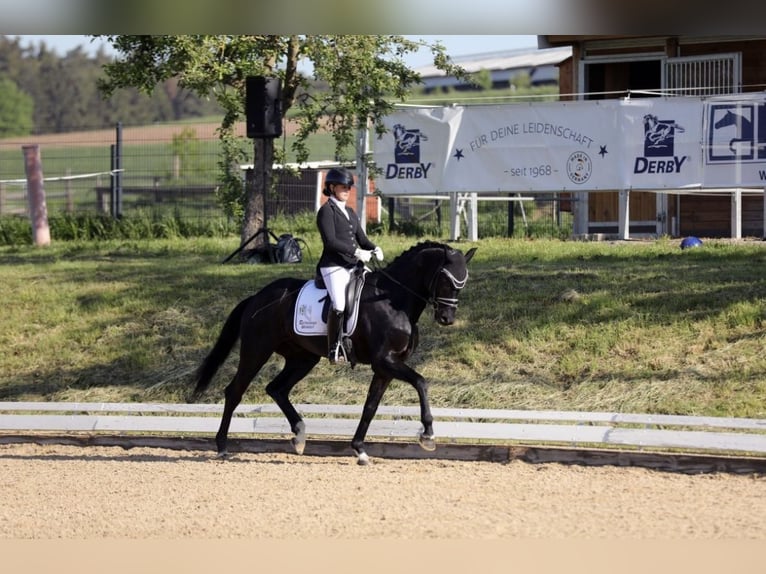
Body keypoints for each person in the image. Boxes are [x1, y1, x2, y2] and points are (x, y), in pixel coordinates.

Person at [316, 167, 383, 363]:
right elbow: (330, 242)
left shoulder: (350, 211)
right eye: (343, 187)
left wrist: (374, 247)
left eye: (349, 187)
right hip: (333, 266)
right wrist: (356, 252)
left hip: (353, 266)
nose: (347, 190)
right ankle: (334, 347)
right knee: (339, 304)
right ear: (331, 187)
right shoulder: (326, 212)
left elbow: (361, 238)